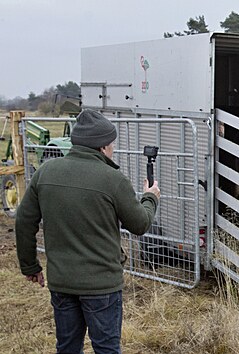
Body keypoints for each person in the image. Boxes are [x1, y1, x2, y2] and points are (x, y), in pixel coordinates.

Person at [15, 109, 161, 354]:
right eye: (112, 144)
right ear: (103, 147)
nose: (113, 148)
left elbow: (23, 221)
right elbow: (139, 224)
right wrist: (150, 197)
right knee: (106, 348)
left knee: (68, 348)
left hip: (62, 283)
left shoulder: (46, 172)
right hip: (101, 285)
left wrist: (30, 266)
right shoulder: (113, 179)